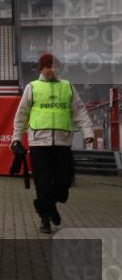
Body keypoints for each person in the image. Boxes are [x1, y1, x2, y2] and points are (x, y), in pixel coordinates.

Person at [11, 53, 94, 234]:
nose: (52, 70)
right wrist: (16, 138)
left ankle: (45, 204)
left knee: (64, 181)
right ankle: (45, 219)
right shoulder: (32, 87)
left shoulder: (68, 87)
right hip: (39, 143)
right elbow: (21, 116)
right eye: (49, 67)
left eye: (55, 67)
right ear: (42, 68)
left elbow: (79, 112)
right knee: (43, 182)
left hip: (63, 144)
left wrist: (88, 133)